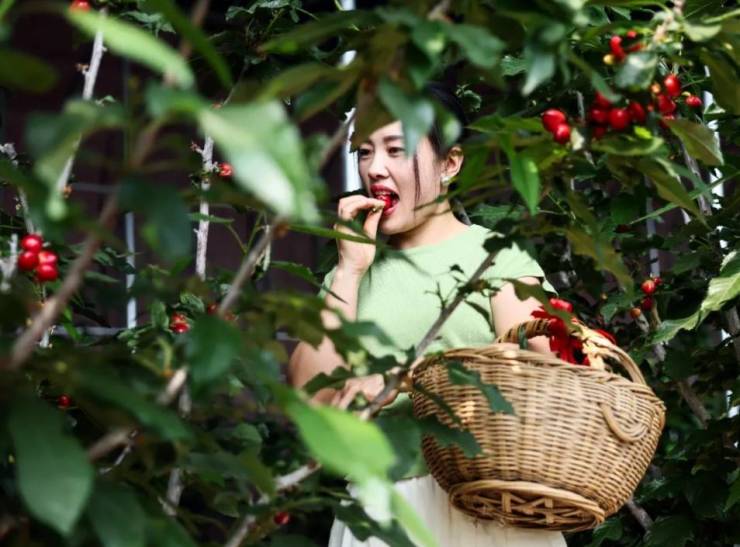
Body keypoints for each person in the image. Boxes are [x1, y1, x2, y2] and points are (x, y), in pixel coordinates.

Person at [288, 83, 567, 547]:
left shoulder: (494, 256)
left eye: (396, 150)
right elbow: (312, 404)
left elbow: (554, 374)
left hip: (487, 506)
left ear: (449, 164)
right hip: (381, 515)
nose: (375, 169)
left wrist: (405, 379)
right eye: (364, 152)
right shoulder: (350, 274)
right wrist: (349, 270)